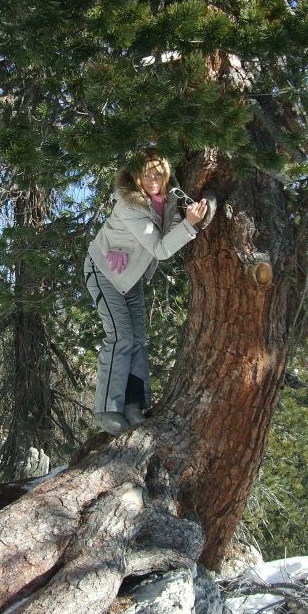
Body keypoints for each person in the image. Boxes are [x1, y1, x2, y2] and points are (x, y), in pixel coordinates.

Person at [84, 151, 209, 432]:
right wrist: (190, 224)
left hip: (132, 277)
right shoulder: (129, 206)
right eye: (146, 174)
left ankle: (132, 405)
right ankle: (106, 410)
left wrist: (184, 219)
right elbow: (161, 249)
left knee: (137, 339)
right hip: (103, 272)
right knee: (120, 337)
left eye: (158, 173)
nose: (153, 179)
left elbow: (171, 230)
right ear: (136, 177)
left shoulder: (168, 200)